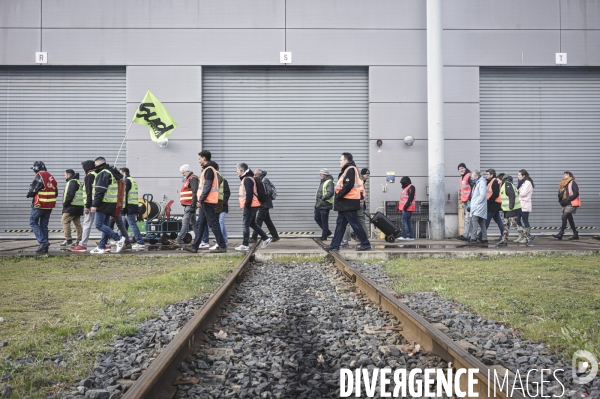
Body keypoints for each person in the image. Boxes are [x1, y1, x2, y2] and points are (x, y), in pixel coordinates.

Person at [326, 153, 371, 251]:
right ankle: (335, 245)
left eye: (341, 160)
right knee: (340, 224)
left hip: (348, 202)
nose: (339, 162)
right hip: (345, 203)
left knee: (355, 224)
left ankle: (365, 243)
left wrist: (339, 195)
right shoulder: (348, 169)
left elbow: (348, 185)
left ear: (346, 160)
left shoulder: (350, 169)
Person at [184, 151, 227, 253]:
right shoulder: (207, 170)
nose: (199, 161)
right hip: (206, 202)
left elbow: (207, 187)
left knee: (213, 224)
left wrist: (201, 200)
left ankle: (222, 246)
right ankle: (194, 246)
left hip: (208, 201)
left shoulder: (209, 170)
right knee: (200, 224)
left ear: (204, 158)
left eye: (200, 159)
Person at [90, 157, 126, 254]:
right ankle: (101, 247)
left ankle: (118, 239)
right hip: (111, 203)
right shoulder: (111, 173)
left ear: (98, 163)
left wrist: (94, 205)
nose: (94, 166)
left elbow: (100, 191)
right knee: (105, 226)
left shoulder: (103, 173)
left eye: (95, 164)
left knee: (98, 224)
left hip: (103, 203)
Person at [235, 163, 271, 251]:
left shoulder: (247, 179)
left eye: (238, 170)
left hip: (250, 205)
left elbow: (249, 194)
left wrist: (246, 205)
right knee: (252, 223)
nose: (236, 172)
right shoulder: (248, 178)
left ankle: (245, 244)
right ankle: (266, 238)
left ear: (242, 171)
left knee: (245, 224)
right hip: (253, 205)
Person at [27, 161, 58, 253]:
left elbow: (33, 189)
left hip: (40, 204)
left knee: (32, 222)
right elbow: (55, 192)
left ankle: (43, 242)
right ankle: (45, 248)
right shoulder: (51, 176)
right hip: (49, 206)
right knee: (44, 225)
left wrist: (29, 194)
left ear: (36, 168)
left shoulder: (39, 175)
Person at [70, 160, 97, 252]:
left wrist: (87, 206)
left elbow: (89, 192)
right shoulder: (97, 174)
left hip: (91, 204)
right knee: (101, 224)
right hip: (97, 203)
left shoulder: (90, 176)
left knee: (87, 224)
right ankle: (106, 244)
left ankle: (82, 245)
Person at [250, 169, 280, 243]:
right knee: (268, 221)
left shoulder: (265, 180)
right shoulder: (258, 180)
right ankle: (275, 236)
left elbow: (269, 191)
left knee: (258, 221)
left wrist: (263, 197)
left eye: (255, 174)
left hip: (265, 204)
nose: (253, 175)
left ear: (258, 174)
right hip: (262, 203)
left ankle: (254, 237)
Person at [120, 167, 145, 250]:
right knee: (124, 225)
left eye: (120, 173)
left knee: (132, 225)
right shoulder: (133, 180)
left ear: (123, 173)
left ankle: (140, 242)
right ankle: (121, 241)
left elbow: (124, 194)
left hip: (128, 207)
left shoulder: (127, 180)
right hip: (133, 205)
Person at [173, 164, 198, 246]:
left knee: (185, 221)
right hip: (189, 204)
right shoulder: (189, 179)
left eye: (183, 172)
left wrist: (193, 205)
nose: (182, 174)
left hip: (190, 205)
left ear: (187, 171)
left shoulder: (192, 178)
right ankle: (200, 239)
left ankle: (179, 239)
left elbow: (195, 191)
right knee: (193, 223)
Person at [344, 168, 370, 244]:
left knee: (350, 221)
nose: (367, 177)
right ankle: (363, 238)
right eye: (367, 175)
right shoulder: (360, 181)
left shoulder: (359, 181)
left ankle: (347, 239)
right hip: (356, 204)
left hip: (356, 204)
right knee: (360, 221)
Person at [553, 171, 581, 240]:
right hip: (564, 203)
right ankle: (575, 234)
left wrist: (568, 199)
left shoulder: (572, 182)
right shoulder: (562, 184)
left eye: (566, 174)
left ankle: (561, 233)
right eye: (564, 174)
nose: (564, 176)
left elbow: (576, 193)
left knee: (564, 217)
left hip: (570, 203)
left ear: (570, 176)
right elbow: (560, 194)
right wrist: (560, 200)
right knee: (570, 219)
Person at [60, 169, 84, 247]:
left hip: (72, 206)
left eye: (64, 175)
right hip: (78, 206)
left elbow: (70, 194)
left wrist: (65, 204)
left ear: (68, 175)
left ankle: (68, 239)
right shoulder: (77, 182)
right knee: (77, 223)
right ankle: (79, 240)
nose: (64, 176)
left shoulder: (72, 182)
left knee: (64, 221)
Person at [497, 173, 521, 247]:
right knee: (506, 226)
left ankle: (528, 236)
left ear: (501, 179)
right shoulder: (504, 185)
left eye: (498, 180)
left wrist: (511, 206)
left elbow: (511, 195)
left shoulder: (507, 185)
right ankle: (504, 240)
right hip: (506, 210)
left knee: (514, 224)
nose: (497, 182)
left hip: (511, 209)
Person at [481, 169, 504, 241]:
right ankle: (504, 235)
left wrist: (489, 200)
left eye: (487, 174)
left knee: (486, 220)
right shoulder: (490, 181)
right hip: (493, 204)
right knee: (498, 220)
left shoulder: (494, 181)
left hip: (493, 204)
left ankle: (480, 235)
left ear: (492, 175)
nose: (486, 175)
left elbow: (496, 193)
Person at [468, 170, 488, 244]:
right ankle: (485, 238)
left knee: (474, 221)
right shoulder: (477, 183)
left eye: (472, 177)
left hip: (478, 207)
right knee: (481, 222)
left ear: (476, 176)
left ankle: (473, 238)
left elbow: (482, 195)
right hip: (478, 206)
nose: (471, 178)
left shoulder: (481, 183)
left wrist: (476, 203)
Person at [515, 169, 534, 246]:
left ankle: (527, 237)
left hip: (525, 204)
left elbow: (522, 193)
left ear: (524, 176)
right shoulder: (521, 183)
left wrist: (517, 192)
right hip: (520, 204)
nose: (518, 176)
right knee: (518, 220)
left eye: (519, 175)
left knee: (525, 220)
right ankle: (521, 235)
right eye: (518, 175)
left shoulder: (527, 183)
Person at [314, 168, 334, 241]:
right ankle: (327, 232)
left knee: (324, 221)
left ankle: (324, 236)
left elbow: (330, 193)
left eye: (321, 174)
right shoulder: (323, 181)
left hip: (325, 205)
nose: (320, 175)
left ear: (325, 174)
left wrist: (323, 198)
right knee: (317, 218)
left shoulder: (329, 182)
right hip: (319, 204)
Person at [457, 163, 473, 241]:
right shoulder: (462, 177)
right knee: (469, 218)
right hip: (465, 200)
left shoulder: (468, 176)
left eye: (462, 168)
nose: (461, 170)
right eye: (459, 169)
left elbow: (472, 187)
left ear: (465, 168)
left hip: (469, 200)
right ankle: (470, 235)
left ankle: (466, 235)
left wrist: (470, 198)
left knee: (468, 218)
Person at [219, 174, 230, 244]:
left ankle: (219, 238)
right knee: (221, 222)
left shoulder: (224, 181)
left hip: (223, 205)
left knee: (220, 221)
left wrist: (223, 202)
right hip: (216, 205)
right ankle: (225, 238)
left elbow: (227, 193)